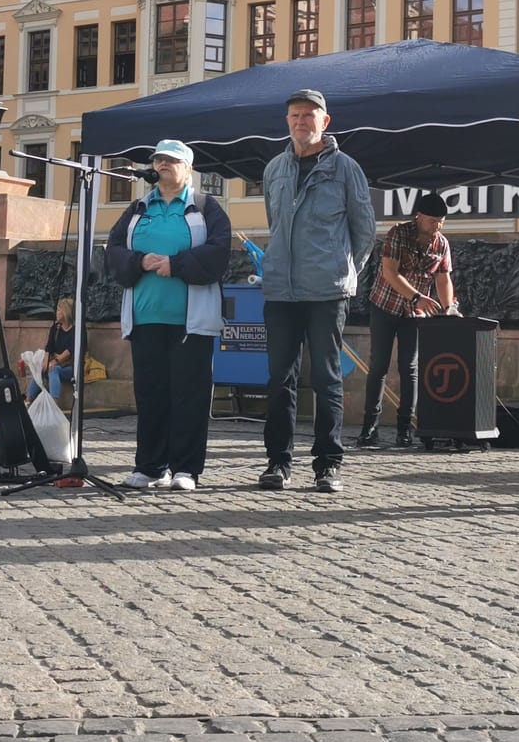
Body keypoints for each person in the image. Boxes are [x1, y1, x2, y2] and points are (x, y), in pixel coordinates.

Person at [259, 88, 376, 494]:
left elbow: (364, 231)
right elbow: (275, 223)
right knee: (280, 379)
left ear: (325, 122)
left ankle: (328, 465)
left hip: (327, 291)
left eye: (309, 115)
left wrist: (344, 271)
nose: (300, 122)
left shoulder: (346, 168)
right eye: (294, 115)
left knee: (326, 378)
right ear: (286, 121)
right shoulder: (274, 168)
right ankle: (278, 462)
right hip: (280, 291)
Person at [106, 140, 232, 491]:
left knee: (188, 395)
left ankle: (186, 469)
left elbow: (219, 254)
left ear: (188, 168)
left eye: (171, 160)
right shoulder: (136, 208)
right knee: (151, 394)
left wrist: (176, 265)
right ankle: (150, 466)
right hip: (146, 318)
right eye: (158, 159)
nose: (161, 165)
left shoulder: (207, 208)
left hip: (191, 322)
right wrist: (138, 261)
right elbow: (113, 250)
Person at [358, 191, 456, 449]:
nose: (437, 226)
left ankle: (405, 429)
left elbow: (443, 278)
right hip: (385, 306)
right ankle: (369, 428)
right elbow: (390, 272)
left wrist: (449, 308)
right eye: (432, 220)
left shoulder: (441, 244)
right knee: (378, 365)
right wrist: (416, 297)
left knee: (409, 369)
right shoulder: (398, 233)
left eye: (441, 221)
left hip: (414, 314)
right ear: (419, 216)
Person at [23, 296, 76, 403]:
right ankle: (28, 401)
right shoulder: (55, 328)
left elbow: (71, 349)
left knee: (53, 369)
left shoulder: (76, 330)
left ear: (65, 312)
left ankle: (53, 402)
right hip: (56, 361)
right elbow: (49, 346)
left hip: (71, 366)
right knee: (40, 370)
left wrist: (55, 362)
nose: (56, 313)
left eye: (58, 310)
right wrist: (46, 362)